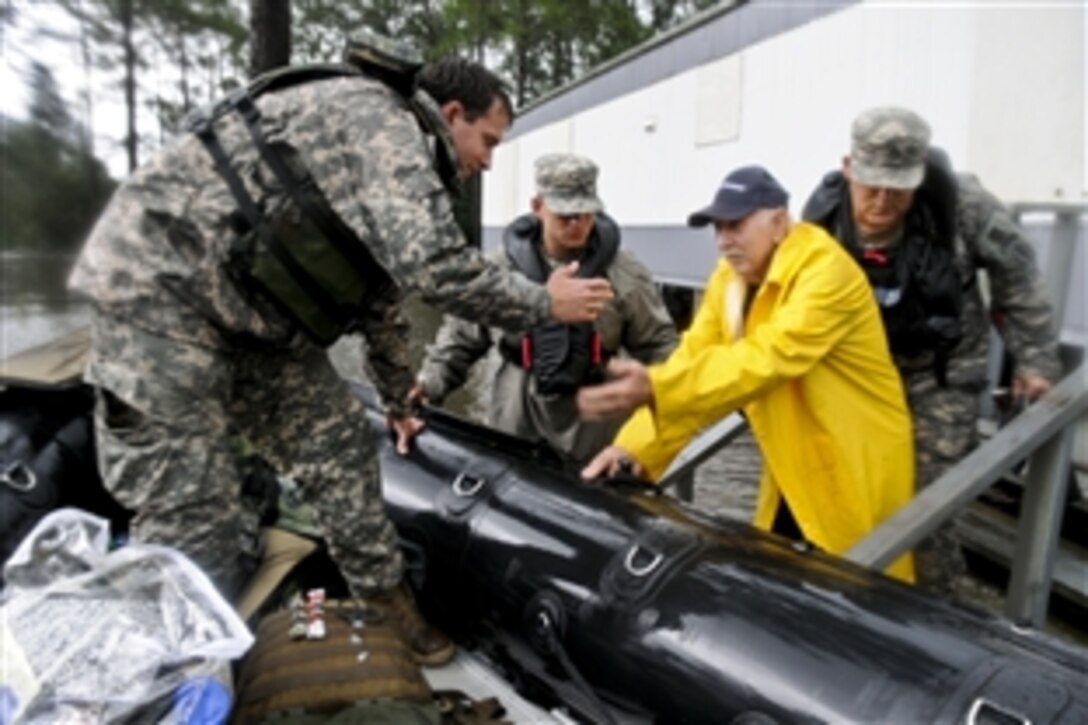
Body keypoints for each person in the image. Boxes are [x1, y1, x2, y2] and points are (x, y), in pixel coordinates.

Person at [67, 34, 614, 667]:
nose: (489, 162)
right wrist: (546, 304)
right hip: (158, 296)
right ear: (452, 115)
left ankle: (385, 603)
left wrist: (396, 399)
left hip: (257, 319)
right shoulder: (380, 121)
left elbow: (378, 299)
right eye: (489, 141)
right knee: (196, 517)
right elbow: (433, 269)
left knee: (343, 448)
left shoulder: (407, 166)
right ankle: (161, 670)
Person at [579, 165, 915, 582]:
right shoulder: (730, 281)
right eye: (717, 228)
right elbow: (692, 362)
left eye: (735, 226)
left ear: (778, 223)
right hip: (797, 456)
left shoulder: (826, 271)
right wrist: (632, 451)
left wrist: (658, 386)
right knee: (793, 576)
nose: (723, 241)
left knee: (863, 587)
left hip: (853, 457)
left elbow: (770, 356)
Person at [802, 107, 1061, 596]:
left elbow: (1019, 279)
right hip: (864, 376)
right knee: (853, 489)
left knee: (924, 501)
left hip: (944, 372)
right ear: (848, 167)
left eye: (897, 189)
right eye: (871, 186)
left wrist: (1035, 362)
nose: (882, 202)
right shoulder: (822, 221)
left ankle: (937, 610)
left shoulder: (965, 206)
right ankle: (857, 595)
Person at [414, 153, 677, 463]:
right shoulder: (497, 270)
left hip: (591, 429)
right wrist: (426, 385)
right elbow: (459, 340)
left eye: (585, 213)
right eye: (565, 215)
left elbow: (659, 345)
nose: (577, 224)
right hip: (516, 419)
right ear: (537, 207)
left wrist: (674, 396)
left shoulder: (625, 273)